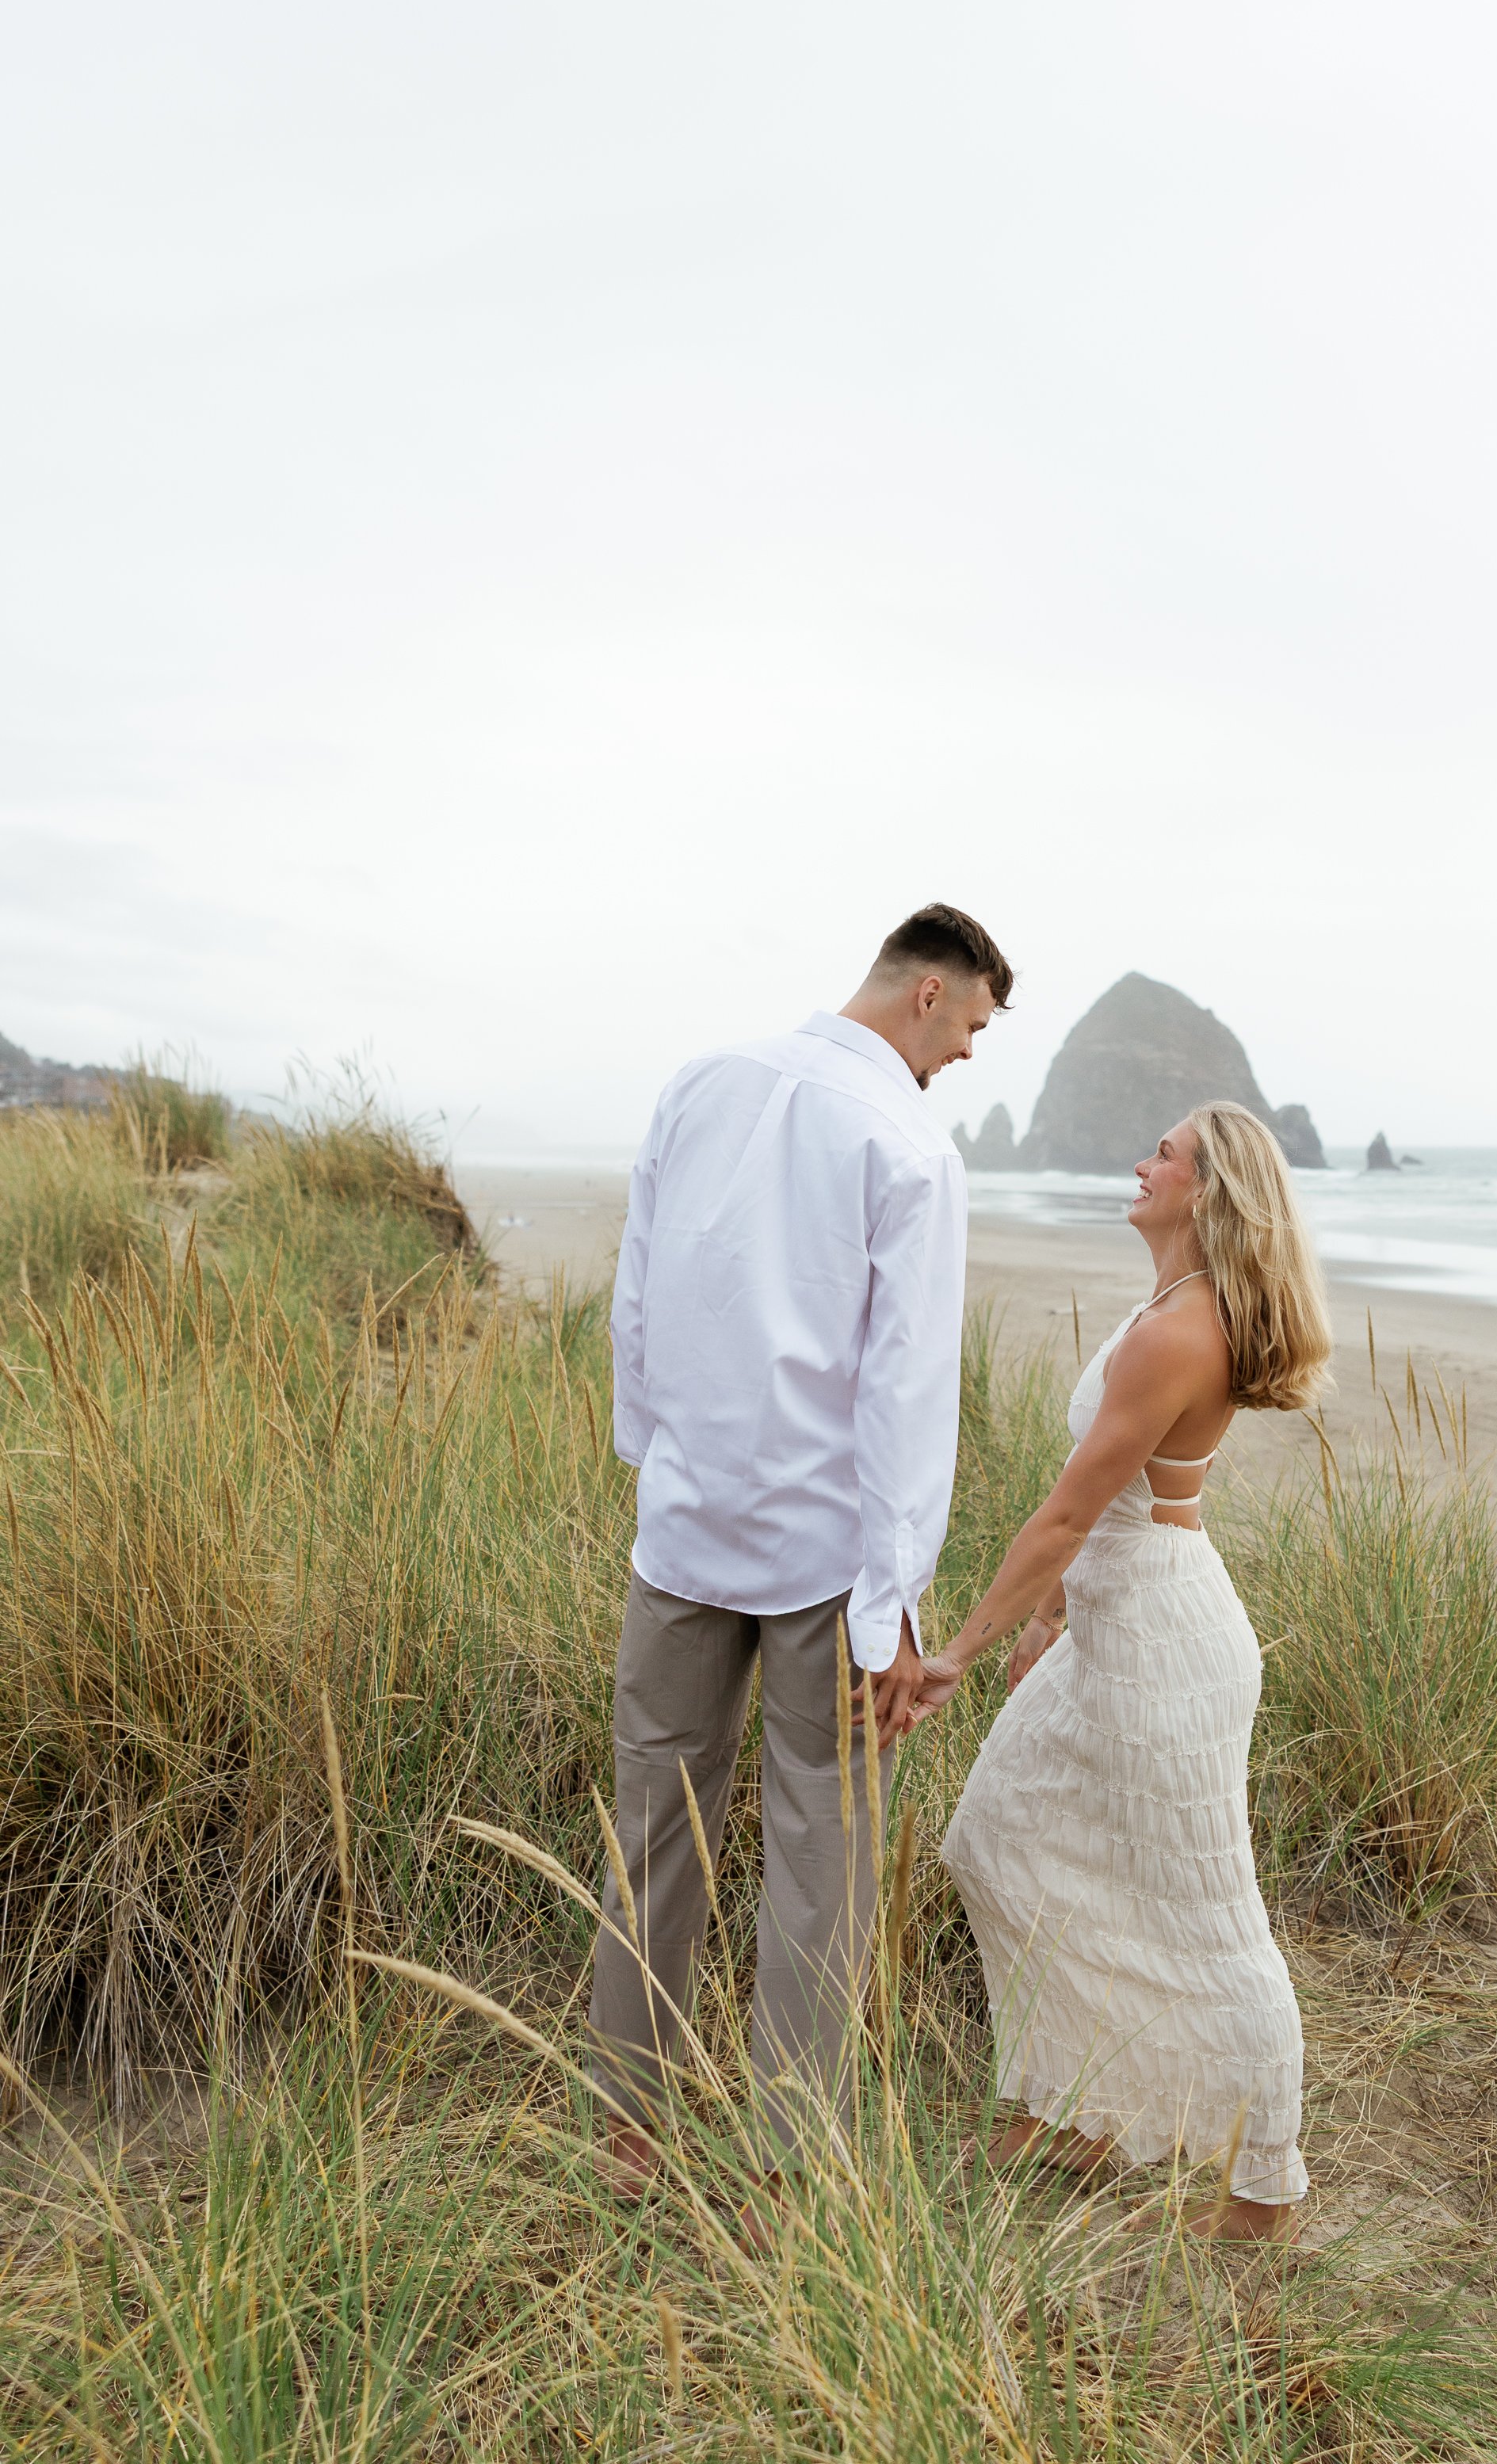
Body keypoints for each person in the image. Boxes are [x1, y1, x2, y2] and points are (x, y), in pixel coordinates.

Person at [589, 902, 1013, 2194]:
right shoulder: (907, 1148)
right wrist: (895, 1607)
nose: (965, 1061)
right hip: (827, 1565)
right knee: (819, 1852)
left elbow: (640, 1296)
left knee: (653, 1821)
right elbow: (904, 1395)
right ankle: (789, 2167)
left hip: (686, 1528)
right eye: (974, 1030)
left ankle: (627, 2126)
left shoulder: (701, 1084)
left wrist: (656, 1459)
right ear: (930, 993)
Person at [918, 1100, 1331, 2239]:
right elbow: (1108, 1506)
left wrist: (959, 1651)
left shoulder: (1179, 1330)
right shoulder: (1164, 1306)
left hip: (1164, 1641)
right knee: (998, 1838)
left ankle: (1266, 2194)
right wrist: (1047, 1621)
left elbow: (1070, 1512)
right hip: (1118, 1618)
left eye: (1165, 1154)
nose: (1141, 1162)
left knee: (1209, 1917)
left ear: (1207, 1194)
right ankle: (1075, 2113)